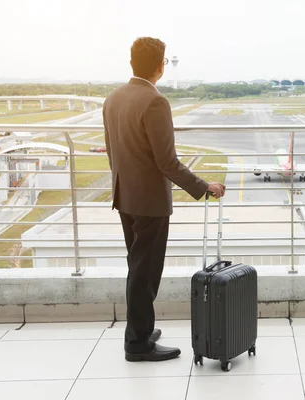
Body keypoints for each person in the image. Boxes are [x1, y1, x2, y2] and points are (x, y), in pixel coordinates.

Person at [102, 37, 225, 362]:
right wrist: (204, 186)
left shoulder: (113, 98)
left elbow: (113, 152)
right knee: (145, 273)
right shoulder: (154, 102)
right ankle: (138, 343)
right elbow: (167, 162)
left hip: (125, 196)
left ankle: (140, 330)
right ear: (160, 66)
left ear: (132, 63)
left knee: (137, 267)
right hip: (149, 205)